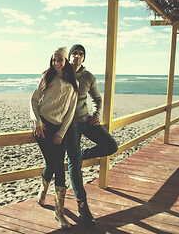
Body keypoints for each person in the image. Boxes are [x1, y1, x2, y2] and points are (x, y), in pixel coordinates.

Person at [65, 44, 118, 226]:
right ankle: (82, 205)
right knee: (73, 162)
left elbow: (97, 98)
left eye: (80, 54)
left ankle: (83, 155)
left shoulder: (89, 77)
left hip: (86, 121)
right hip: (69, 125)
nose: (77, 56)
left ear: (83, 58)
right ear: (69, 56)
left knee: (111, 146)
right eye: (74, 53)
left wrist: (96, 115)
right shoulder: (62, 74)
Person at [30, 47, 78, 229]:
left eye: (60, 59)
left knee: (56, 165)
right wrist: (37, 122)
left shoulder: (73, 83)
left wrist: (61, 133)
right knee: (55, 164)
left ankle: (56, 207)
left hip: (59, 130)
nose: (57, 63)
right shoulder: (47, 77)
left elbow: (71, 111)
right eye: (54, 59)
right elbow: (33, 101)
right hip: (42, 126)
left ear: (65, 60)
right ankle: (52, 204)